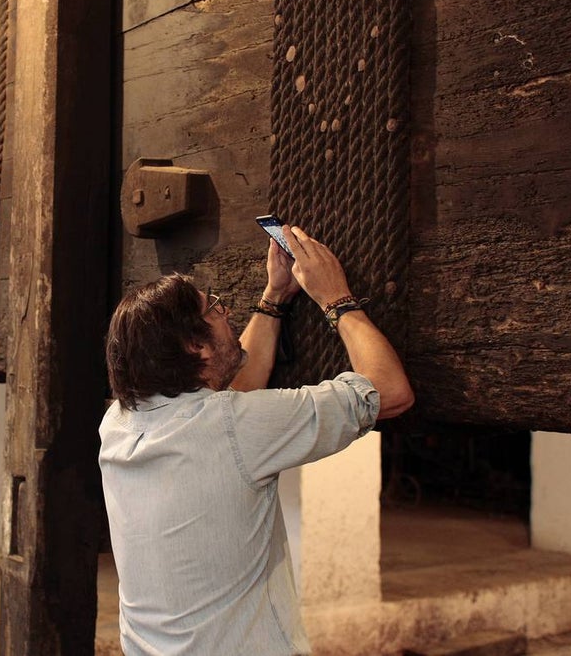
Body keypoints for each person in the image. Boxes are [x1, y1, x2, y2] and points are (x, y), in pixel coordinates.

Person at [99, 224, 414, 655]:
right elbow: (389, 391)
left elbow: (227, 402)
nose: (227, 312)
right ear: (196, 348)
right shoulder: (234, 428)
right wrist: (335, 299)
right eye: (215, 309)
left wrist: (274, 298)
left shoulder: (117, 424)